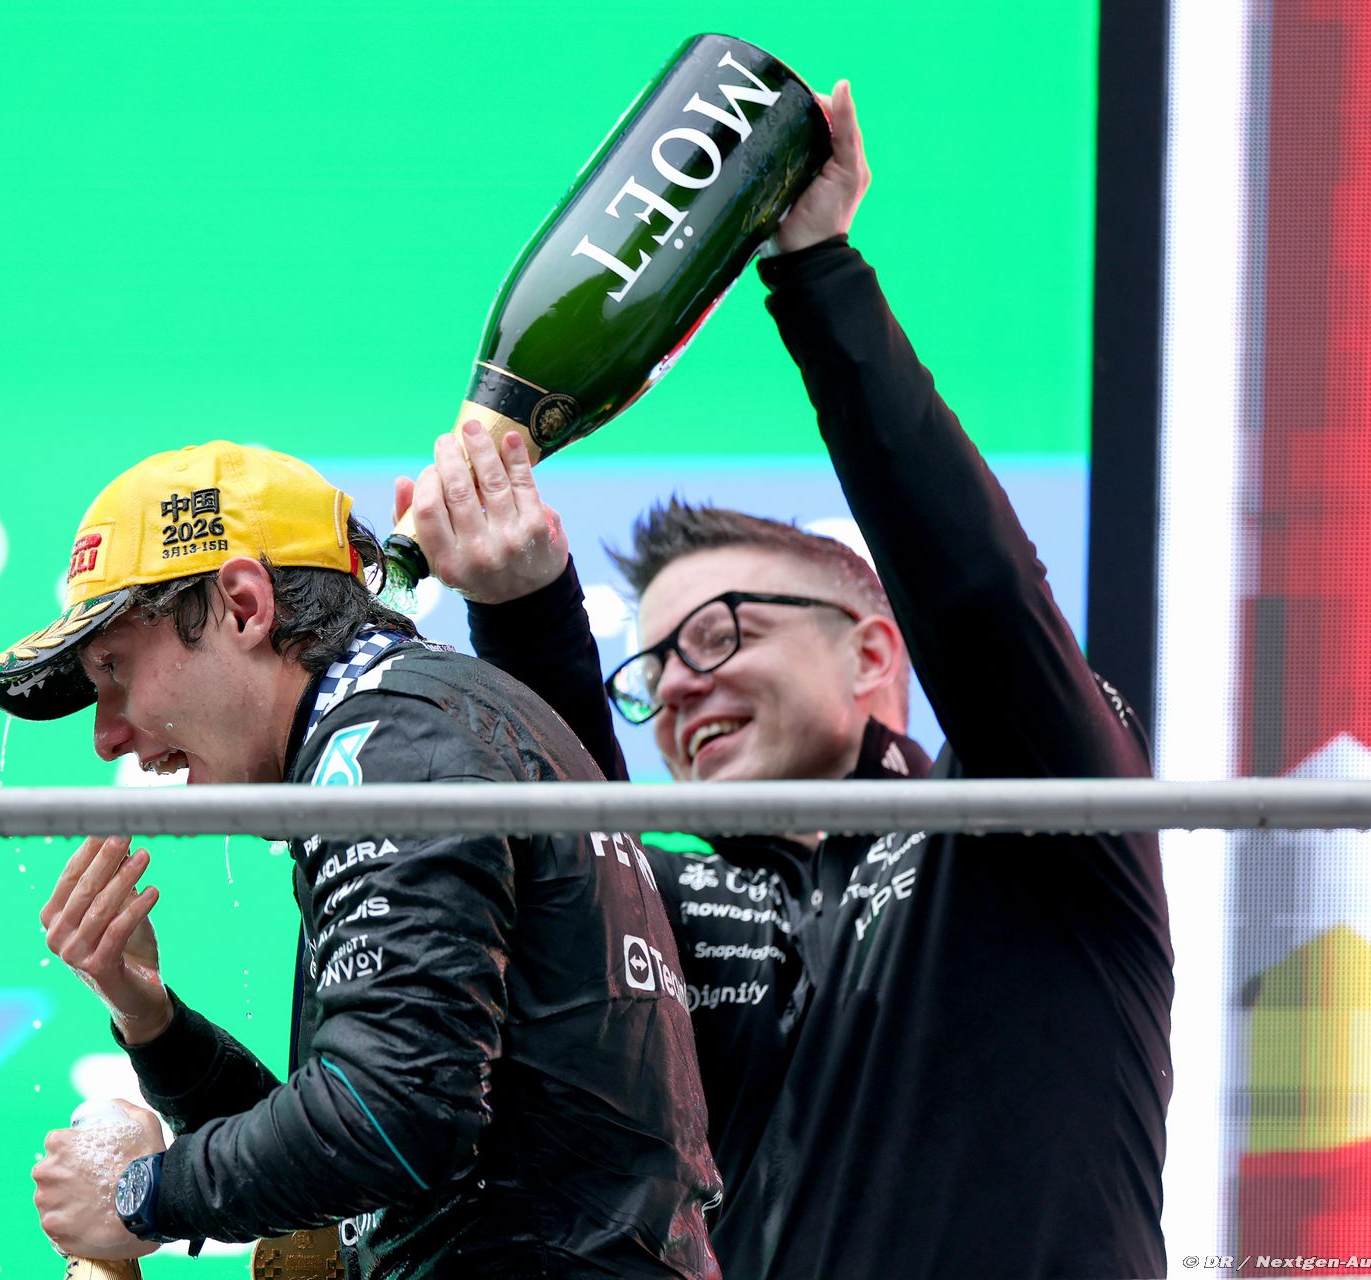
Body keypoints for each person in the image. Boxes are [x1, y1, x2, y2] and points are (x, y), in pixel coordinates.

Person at [397, 81, 1173, 1280]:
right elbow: (581, 878)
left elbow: (978, 597)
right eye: (652, 666)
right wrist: (521, 605)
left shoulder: (1028, 822)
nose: (679, 687)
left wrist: (818, 275)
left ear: (871, 651)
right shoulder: (696, 924)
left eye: (721, 632)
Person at [0, 442, 721, 1278]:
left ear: (244, 607)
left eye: (115, 669)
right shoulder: (417, 723)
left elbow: (393, 1117)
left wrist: (138, 1195)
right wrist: (151, 1020)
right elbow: (363, 1170)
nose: (107, 736)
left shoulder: (388, 745)